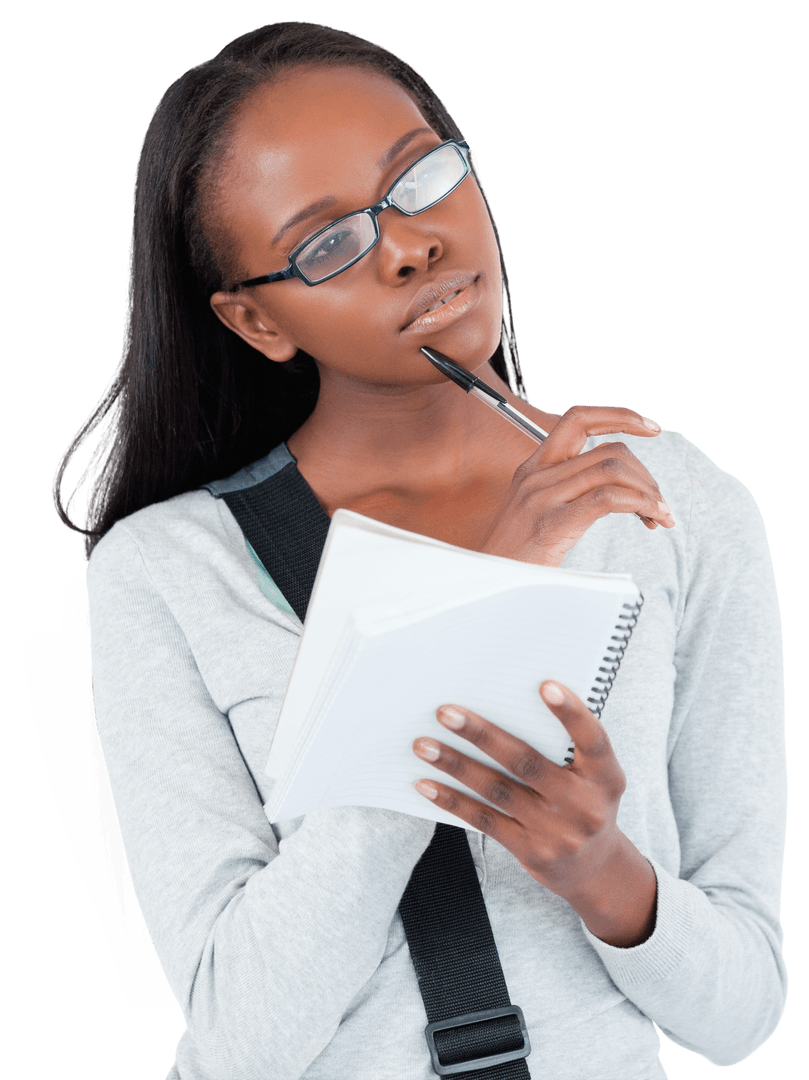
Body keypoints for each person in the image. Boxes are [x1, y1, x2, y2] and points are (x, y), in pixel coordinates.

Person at [54, 20, 787, 1080]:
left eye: (420, 178)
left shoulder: (669, 503)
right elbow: (242, 1040)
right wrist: (487, 600)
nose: (409, 245)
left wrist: (603, 874)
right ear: (257, 322)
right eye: (327, 244)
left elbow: (742, 1015)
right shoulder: (169, 572)